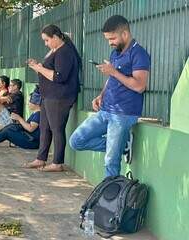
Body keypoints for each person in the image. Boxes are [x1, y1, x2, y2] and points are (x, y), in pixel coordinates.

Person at [69, 15, 150, 177]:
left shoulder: (139, 54)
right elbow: (112, 78)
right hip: (106, 110)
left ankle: (108, 199)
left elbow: (140, 86)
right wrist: (101, 95)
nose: (110, 42)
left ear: (125, 34)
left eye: (112, 38)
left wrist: (113, 71)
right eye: (107, 39)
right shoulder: (115, 53)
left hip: (123, 113)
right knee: (76, 141)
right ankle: (123, 145)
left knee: (110, 161)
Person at [26, 24, 82, 172]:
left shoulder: (65, 52)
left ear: (56, 37)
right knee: (45, 128)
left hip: (60, 97)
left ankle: (58, 162)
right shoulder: (56, 50)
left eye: (47, 40)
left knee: (56, 128)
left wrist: (39, 68)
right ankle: (41, 158)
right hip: (49, 96)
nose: (46, 44)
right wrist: (38, 66)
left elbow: (59, 77)